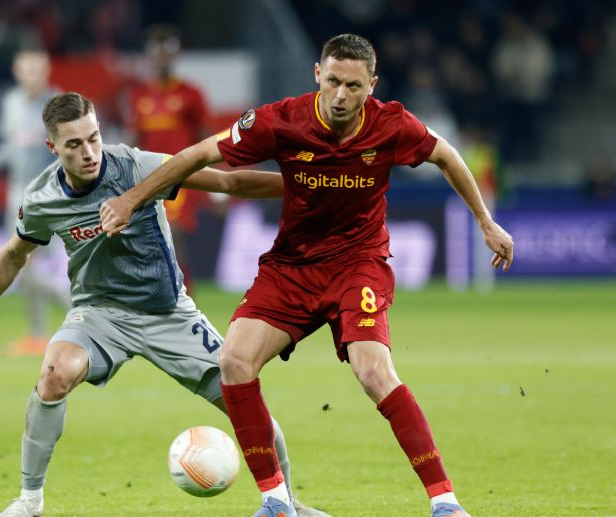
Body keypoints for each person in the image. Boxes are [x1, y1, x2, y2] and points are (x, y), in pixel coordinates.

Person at [100, 34, 515, 517]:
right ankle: (276, 501)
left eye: (354, 86)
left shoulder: (392, 125)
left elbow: (446, 155)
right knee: (234, 362)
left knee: (373, 371)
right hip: (292, 267)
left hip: (358, 263)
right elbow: (198, 155)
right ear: (317, 75)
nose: (341, 96)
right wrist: (131, 199)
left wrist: (485, 221)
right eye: (333, 82)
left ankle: (445, 502)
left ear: (371, 85)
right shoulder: (281, 120)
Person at [0, 92, 329, 517]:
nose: (89, 153)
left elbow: (229, 182)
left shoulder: (135, 165)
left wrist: (311, 185)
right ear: (53, 148)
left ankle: (286, 503)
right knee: (53, 373)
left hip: (168, 313)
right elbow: (15, 253)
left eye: (94, 138)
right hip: (99, 314)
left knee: (242, 397)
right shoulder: (42, 197)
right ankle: (29, 502)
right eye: (74, 145)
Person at [0, 48, 69, 355]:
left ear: (46, 72)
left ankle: (76, 312)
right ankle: (40, 333)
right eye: (24, 70)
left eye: (35, 70)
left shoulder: (59, 105)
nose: (29, 76)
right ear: (17, 72)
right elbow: (10, 144)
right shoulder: (11, 103)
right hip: (17, 195)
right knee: (23, 265)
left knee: (27, 265)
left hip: (50, 194)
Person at [126, 24, 216, 295]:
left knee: (173, 233)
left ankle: (184, 294)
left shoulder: (191, 94)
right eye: (158, 53)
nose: (162, 58)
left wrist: (217, 184)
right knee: (154, 240)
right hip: (150, 176)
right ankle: (169, 293)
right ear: (150, 56)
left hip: (182, 177)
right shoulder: (139, 96)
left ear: (175, 56)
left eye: (168, 53)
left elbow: (208, 138)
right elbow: (135, 140)